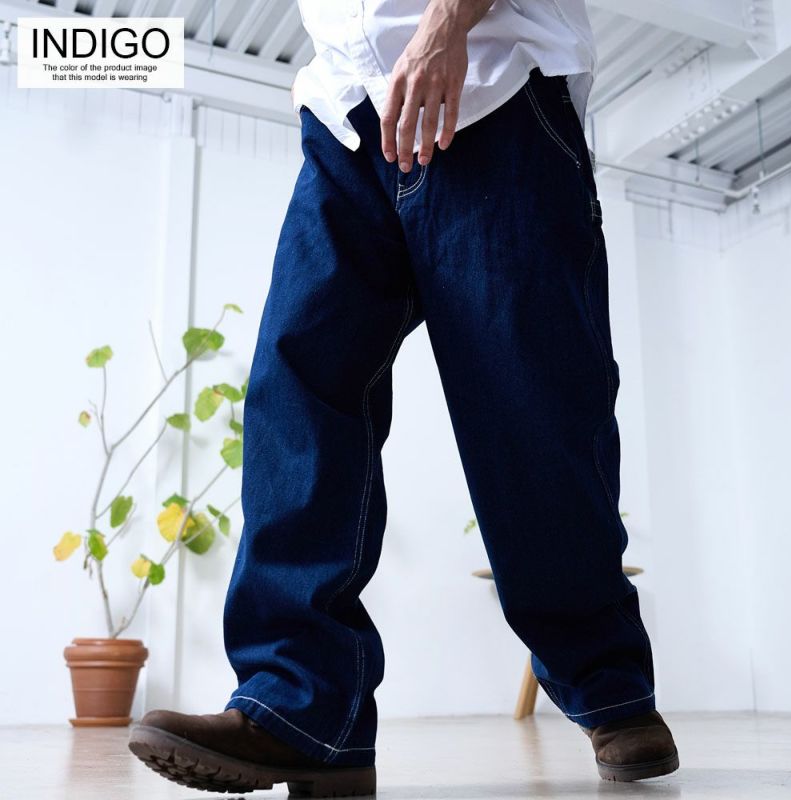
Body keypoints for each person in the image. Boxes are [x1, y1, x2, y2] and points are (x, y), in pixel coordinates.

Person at [128, 0, 680, 795]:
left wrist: (447, 24)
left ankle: (609, 686)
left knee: (533, 409)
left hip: (491, 86)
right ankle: (306, 712)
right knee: (296, 394)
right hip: (346, 117)